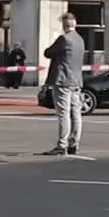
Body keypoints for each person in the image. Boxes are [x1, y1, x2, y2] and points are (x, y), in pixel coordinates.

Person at [42, 13, 85, 155]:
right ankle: (74, 143)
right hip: (76, 80)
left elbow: (48, 53)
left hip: (63, 80)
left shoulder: (64, 39)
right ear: (75, 24)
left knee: (63, 113)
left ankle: (62, 144)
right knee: (76, 113)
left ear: (64, 25)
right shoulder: (80, 40)